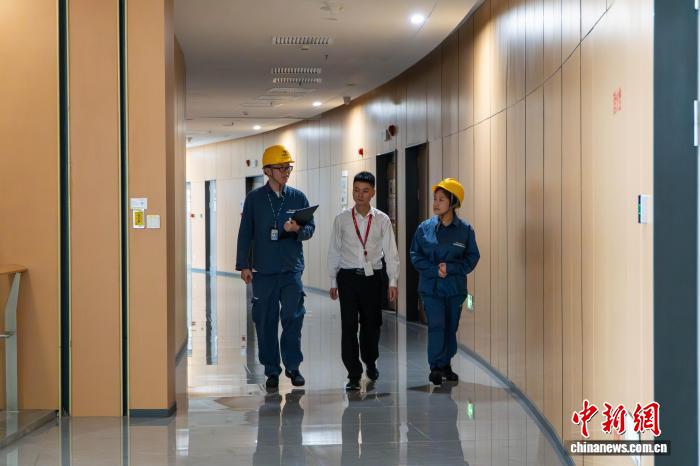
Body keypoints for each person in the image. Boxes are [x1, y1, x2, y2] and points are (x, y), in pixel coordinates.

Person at [236, 144, 315, 389]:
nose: (286, 172)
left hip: (291, 269)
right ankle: (271, 369)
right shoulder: (254, 199)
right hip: (264, 271)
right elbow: (245, 232)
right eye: (281, 168)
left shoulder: (298, 197)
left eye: (288, 168)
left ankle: (293, 367)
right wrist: (244, 265)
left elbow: (310, 229)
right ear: (267, 171)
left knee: (293, 317)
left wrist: (298, 229)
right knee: (265, 321)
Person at [327, 171, 399, 390]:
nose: (360, 195)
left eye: (365, 191)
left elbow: (391, 251)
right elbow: (334, 250)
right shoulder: (341, 219)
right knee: (348, 326)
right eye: (356, 190)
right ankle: (353, 373)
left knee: (371, 324)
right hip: (347, 278)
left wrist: (393, 281)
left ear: (373, 192)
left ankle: (370, 360)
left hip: (372, 278)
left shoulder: (382, 220)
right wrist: (333, 280)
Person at [409, 178, 479, 386]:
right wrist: (434, 270)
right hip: (431, 288)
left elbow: (472, 257)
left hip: (455, 288)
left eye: (441, 199)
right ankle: (436, 367)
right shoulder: (424, 229)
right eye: (435, 199)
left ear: (453, 202)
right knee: (437, 326)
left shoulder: (465, 230)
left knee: (451, 327)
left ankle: (446, 364)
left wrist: (451, 268)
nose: (436, 203)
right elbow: (415, 255)